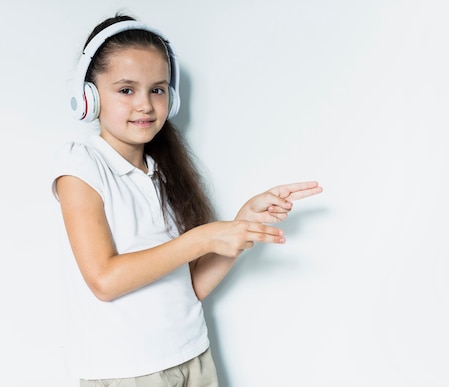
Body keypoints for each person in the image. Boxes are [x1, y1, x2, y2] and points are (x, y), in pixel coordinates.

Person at [52, 13, 322, 387]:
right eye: (126, 90)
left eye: (158, 89)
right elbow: (104, 279)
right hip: (129, 372)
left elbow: (190, 287)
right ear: (89, 96)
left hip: (193, 356)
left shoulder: (162, 173)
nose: (145, 104)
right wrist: (202, 238)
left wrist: (239, 225)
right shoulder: (81, 166)